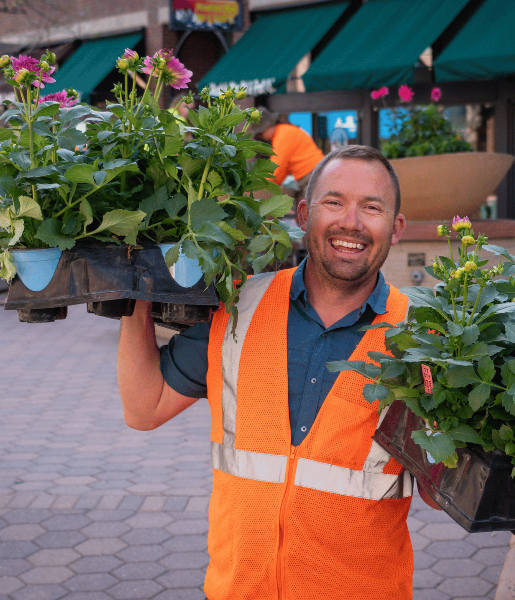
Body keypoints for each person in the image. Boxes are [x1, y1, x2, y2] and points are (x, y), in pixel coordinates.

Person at [117, 145, 438, 600]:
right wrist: (135, 290)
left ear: (397, 228)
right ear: (304, 214)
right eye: (334, 201)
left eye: (372, 207)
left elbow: (440, 486)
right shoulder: (240, 306)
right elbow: (143, 407)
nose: (351, 222)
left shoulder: (423, 339)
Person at [249, 106, 324, 201]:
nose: (262, 136)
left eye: (260, 133)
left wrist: (261, 185)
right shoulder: (285, 131)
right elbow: (282, 167)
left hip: (311, 176)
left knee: (314, 209)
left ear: (267, 127)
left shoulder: (282, 135)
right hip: (314, 174)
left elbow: (276, 168)